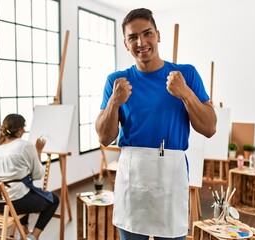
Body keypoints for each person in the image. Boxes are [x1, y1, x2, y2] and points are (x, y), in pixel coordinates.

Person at [95, 8, 217, 240]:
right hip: (133, 175)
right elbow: (103, 137)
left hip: (171, 173)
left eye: (147, 33)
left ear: (158, 35)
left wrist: (186, 95)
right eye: (133, 37)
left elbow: (210, 128)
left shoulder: (186, 75)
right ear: (125, 43)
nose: (141, 42)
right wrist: (113, 102)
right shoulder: (116, 81)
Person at [0, 113, 59, 240]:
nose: (25, 131)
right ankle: (33, 237)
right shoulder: (25, 146)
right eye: (24, 128)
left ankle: (24, 230)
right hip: (13, 204)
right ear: (19, 129)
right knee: (53, 200)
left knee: (24, 191)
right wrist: (38, 150)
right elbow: (38, 175)